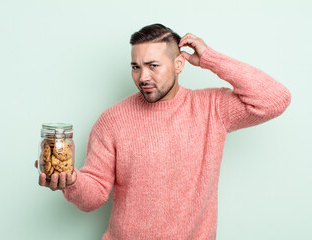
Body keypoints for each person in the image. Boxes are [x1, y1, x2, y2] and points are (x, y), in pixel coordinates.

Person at [35, 23, 291, 239]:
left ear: (179, 64)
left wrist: (211, 59)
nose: (143, 76)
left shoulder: (212, 108)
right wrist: (72, 182)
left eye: (153, 66)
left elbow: (274, 99)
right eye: (136, 67)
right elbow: (94, 196)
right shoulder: (113, 120)